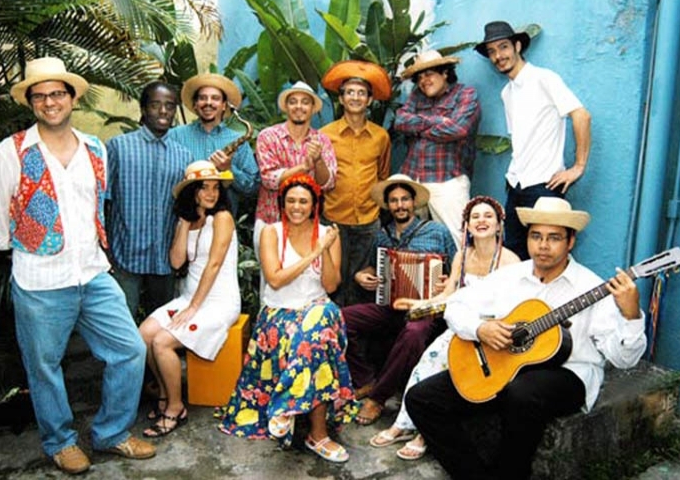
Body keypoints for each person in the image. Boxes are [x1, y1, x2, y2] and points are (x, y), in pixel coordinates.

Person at [0, 57, 155, 474]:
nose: (49, 102)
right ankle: (60, 441)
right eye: (39, 95)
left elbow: (97, 205)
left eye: (57, 93)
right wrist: (26, 246)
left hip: (93, 273)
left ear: (72, 97)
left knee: (130, 350)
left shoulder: (95, 148)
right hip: (40, 279)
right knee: (44, 366)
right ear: (31, 103)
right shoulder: (12, 151)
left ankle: (112, 433)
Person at [405, 197, 645, 479]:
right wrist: (481, 329)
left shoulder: (592, 288)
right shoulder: (510, 276)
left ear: (571, 242)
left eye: (554, 238)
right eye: (536, 236)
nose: (543, 246)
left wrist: (631, 315)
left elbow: (625, 359)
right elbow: (456, 306)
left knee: (521, 392)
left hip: (569, 374)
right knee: (421, 398)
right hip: (505, 365)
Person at [369, 195, 519, 461]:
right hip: (462, 327)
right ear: (467, 226)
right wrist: (417, 302)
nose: (481, 221)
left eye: (488, 216)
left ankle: (423, 433)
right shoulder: (462, 256)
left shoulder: (511, 262)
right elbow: (448, 295)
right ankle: (404, 423)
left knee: (453, 371)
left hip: (491, 334)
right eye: (475, 217)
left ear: (499, 225)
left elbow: (514, 309)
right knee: (427, 362)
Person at [219, 174, 357, 463]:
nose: (296, 206)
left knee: (319, 323)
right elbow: (276, 279)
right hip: (279, 313)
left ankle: (286, 408)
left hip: (318, 308)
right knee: (314, 342)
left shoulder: (328, 233)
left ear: (314, 204)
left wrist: (326, 249)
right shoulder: (271, 232)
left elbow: (331, 286)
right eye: (291, 200)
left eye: (303, 201)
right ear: (282, 203)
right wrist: (316, 252)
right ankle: (317, 435)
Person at [341, 174, 457, 426]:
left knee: (415, 333)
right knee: (340, 318)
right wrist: (362, 276)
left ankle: (377, 398)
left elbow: (458, 272)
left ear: (414, 202)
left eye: (405, 199)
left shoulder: (437, 231)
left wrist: (446, 284)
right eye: (394, 201)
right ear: (388, 205)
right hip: (391, 306)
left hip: (426, 310)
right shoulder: (382, 237)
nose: (400, 205)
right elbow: (371, 269)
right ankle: (365, 379)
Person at [138, 161, 240, 438]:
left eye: (215, 187)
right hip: (189, 297)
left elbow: (214, 265)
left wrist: (194, 308)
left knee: (162, 342)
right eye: (203, 188)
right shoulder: (190, 220)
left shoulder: (222, 218)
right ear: (191, 192)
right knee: (145, 333)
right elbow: (176, 262)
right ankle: (163, 393)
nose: (211, 193)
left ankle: (175, 406)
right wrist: (184, 222)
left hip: (218, 301)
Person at [474, 21, 592, 260]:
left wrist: (578, 167)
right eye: (492, 52)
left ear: (517, 46)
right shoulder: (506, 93)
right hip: (516, 185)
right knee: (514, 258)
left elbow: (581, 115)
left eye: (503, 47)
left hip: (544, 185)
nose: (498, 56)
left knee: (550, 256)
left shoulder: (544, 78)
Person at [106, 81, 192, 318]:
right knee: (122, 325)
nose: (163, 111)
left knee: (160, 325)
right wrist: (106, 251)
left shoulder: (183, 155)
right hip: (125, 254)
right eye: (155, 105)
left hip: (163, 257)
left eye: (169, 106)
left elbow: (185, 208)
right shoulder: (118, 147)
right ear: (143, 108)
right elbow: (104, 200)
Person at [320, 60, 392, 306]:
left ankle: (360, 341)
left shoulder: (381, 137)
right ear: (341, 99)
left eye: (361, 93)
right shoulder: (325, 135)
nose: (355, 97)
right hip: (333, 219)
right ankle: (332, 337)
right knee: (333, 283)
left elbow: (383, 175)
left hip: (368, 221)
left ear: (370, 100)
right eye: (349, 92)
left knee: (364, 284)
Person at [394, 50, 481, 247]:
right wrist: (439, 121)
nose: (424, 80)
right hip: (413, 179)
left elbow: (458, 129)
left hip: (447, 181)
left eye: (430, 73)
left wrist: (418, 127)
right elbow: (400, 121)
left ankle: (460, 279)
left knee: (458, 242)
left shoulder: (465, 94)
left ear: (445, 73)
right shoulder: (417, 96)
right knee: (413, 244)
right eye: (420, 76)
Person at [253, 81, 338, 254]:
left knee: (306, 277)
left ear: (313, 108)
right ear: (286, 107)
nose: (299, 107)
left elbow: (328, 183)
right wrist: (304, 167)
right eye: (293, 102)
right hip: (271, 220)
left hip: (307, 224)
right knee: (270, 279)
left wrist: (319, 161)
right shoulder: (268, 136)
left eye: (305, 102)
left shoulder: (322, 140)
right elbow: (269, 179)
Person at [172, 73, 259, 216]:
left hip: (223, 224)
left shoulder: (238, 140)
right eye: (202, 98)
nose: (208, 103)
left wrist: (229, 171)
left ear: (224, 105)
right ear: (195, 104)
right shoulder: (175, 136)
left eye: (215, 98)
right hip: (183, 222)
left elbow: (252, 188)